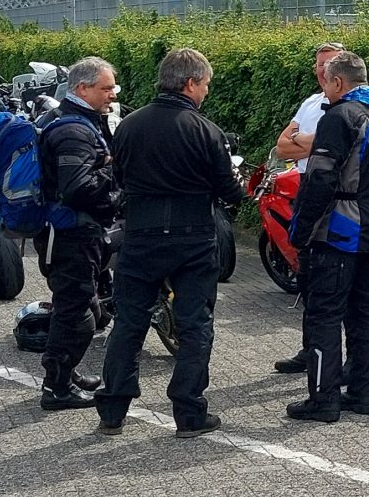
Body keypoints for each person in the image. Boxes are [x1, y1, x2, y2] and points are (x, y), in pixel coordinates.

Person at [96, 48, 245, 437]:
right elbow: (228, 191)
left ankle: (113, 409)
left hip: (141, 233)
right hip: (193, 236)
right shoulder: (205, 130)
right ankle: (189, 412)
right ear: (191, 83)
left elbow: (119, 178)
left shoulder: (128, 126)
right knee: (196, 325)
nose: (206, 93)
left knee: (129, 322)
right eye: (206, 85)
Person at [284, 51, 369, 423]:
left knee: (324, 315)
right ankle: (363, 394)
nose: (325, 89)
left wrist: (300, 231)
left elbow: (320, 178)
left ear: (338, 83)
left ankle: (323, 401)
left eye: (327, 81)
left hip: (340, 231)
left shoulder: (338, 117)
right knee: (366, 315)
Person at [33, 57, 122, 411]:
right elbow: (77, 187)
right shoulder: (73, 130)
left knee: (78, 306)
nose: (112, 95)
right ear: (82, 89)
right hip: (71, 231)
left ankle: (64, 374)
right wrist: (118, 194)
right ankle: (56, 388)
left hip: (68, 228)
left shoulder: (76, 120)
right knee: (77, 312)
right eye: (105, 88)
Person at [268, 41, 345, 376]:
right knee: (307, 274)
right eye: (318, 64)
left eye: (328, 64)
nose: (321, 70)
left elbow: (335, 145)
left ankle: (342, 362)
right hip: (304, 191)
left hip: (337, 200)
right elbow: (281, 147)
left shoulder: (352, 106)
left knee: (339, 282)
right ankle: (309, 350)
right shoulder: (311, 103)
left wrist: (305, 142)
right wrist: (311, 144)